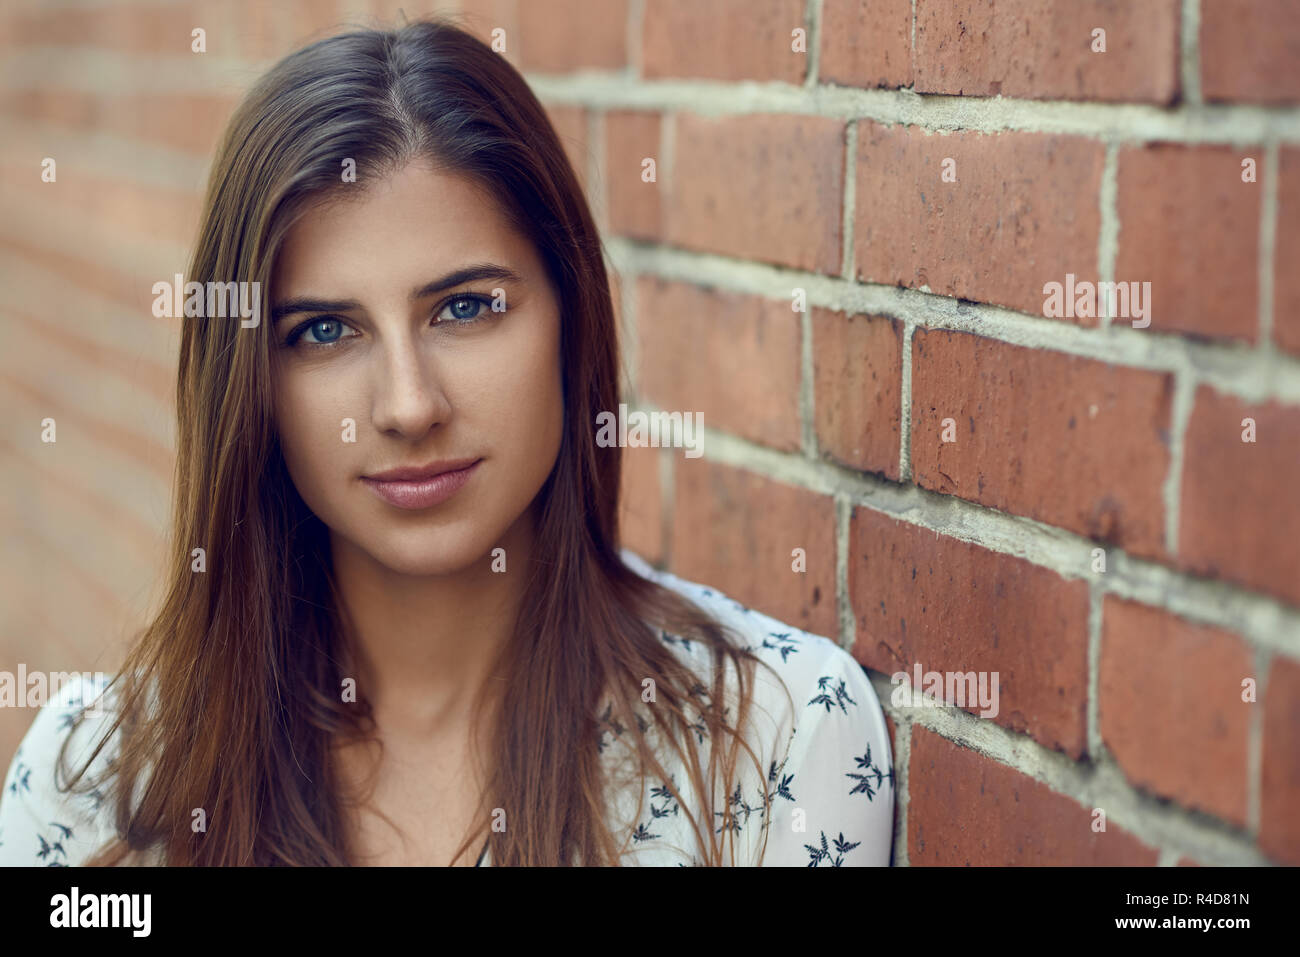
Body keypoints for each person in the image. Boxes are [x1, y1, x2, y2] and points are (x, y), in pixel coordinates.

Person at [0, 16, 893, 867]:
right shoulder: (93, 783)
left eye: (465, 307)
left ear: (570, 315)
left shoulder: (774, 735)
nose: (409, 404)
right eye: (323, 331)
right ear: (249, 384)